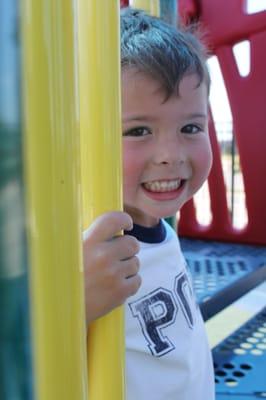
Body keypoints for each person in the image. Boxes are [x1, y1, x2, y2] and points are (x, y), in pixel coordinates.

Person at [83, 7, 215, 400]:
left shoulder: (162, 230)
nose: (170, 155)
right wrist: (73, 304)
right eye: (138, 130)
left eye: (191, 127)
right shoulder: (84, 248)